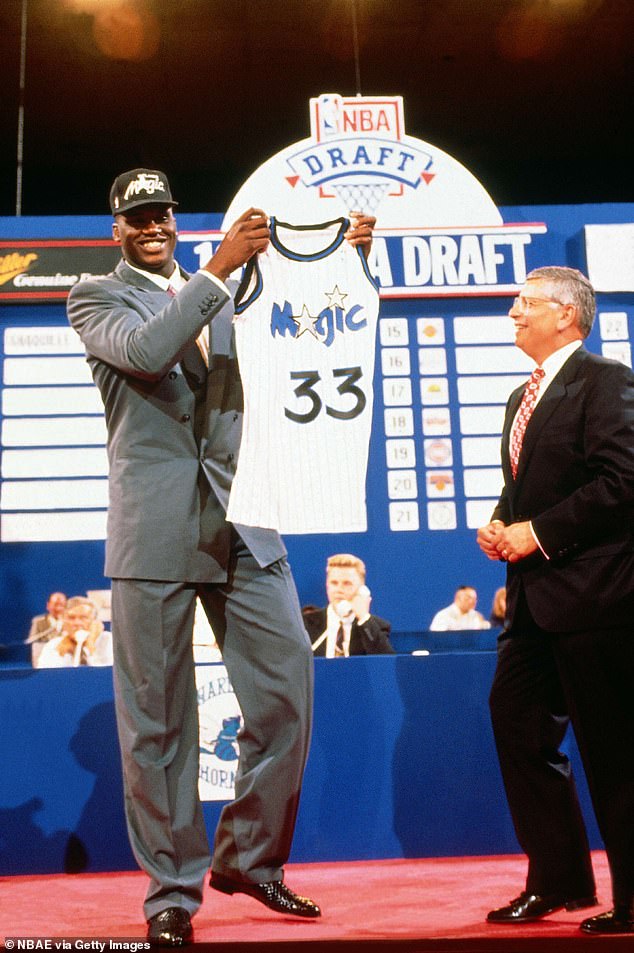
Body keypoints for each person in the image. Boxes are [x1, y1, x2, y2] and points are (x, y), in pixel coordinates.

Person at [67, 168, 375, 946]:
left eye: (161, 212)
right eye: (136, 217)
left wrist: (349, 270)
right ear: (117, 230)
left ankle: (250, 857)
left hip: (248, 517)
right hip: (156, 528)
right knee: (160, 722)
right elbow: (146, 351)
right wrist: (217, 271)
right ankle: (172, 890)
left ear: (175, 216)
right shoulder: (95, 297)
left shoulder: (238, 289)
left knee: (286, 693)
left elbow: (307, 337)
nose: (152, 225)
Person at [477, 266, 634, 935]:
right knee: (515, 721)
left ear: (566, 314)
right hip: (534, 602)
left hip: (599, 597)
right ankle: (558, 879)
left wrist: (536, 533)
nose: (514, 313)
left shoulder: (607, 381)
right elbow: (526, 490)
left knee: (617, 751)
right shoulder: (522, 396)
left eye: (525, 303)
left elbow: (622, 478)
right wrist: (499, 520)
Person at [303, 553, 394, 657]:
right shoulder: (305, 623)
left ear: (361, 589)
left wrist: (364, 618)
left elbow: (386, 664)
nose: (339, 589)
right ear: (327, 586)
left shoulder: (376, 627)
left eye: (347, 583)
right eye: (334, 583)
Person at [36, 596, 112, 668]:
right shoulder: (53, 645)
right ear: (63, 621)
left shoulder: (110, 641)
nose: (77, 623)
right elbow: (47, 678)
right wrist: (61, 654)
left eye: (84, 618)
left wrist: (90, 646)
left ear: (95, 621)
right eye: (71, 618)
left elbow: (110, 676)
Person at [26, 591, 67, 665]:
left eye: (61, 605)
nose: (58, 608)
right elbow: (31, 640)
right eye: (55, 605)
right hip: (44, 659)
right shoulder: (38, 621)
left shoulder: (70, 622)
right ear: (48, 605)